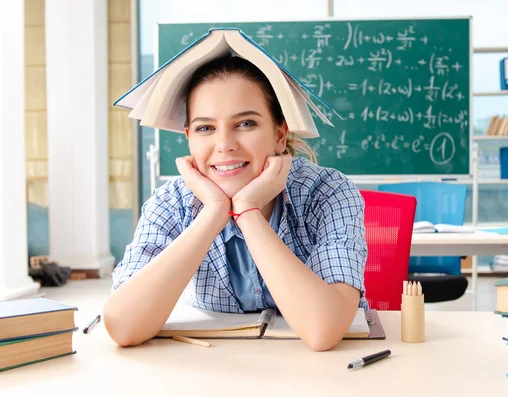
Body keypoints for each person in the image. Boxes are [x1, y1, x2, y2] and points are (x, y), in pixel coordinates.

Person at [103, 56, 368, 351]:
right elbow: (123, 326)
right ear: (189, 137)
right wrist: (214, 212)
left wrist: (248, 211)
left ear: (280, 134)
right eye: (206, 128)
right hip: (213, 369)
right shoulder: (169, 203)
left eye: (245, 123)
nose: (225, 144)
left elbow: (323, 331)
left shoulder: (328, 192)